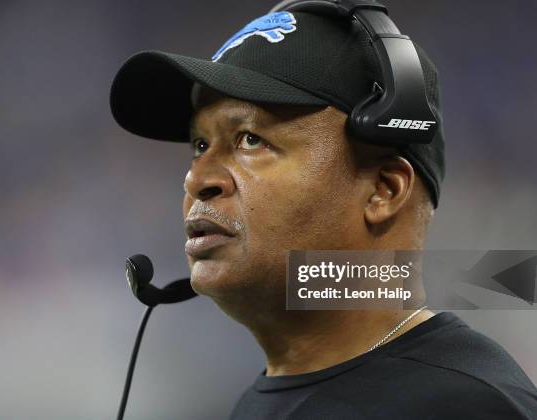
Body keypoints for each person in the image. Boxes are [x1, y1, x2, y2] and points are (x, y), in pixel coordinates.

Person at [109, 3, 537, 419]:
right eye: (200, 146)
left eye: (250, 140)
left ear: (383, 190)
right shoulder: (262, 399)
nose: (197, 179)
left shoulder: (465, 405)